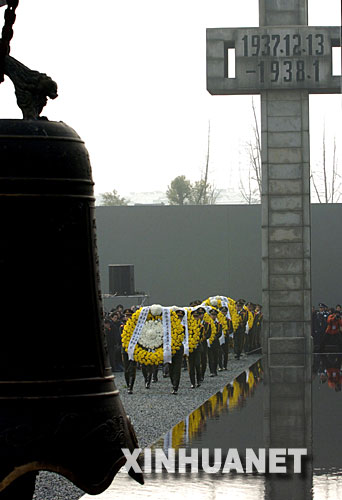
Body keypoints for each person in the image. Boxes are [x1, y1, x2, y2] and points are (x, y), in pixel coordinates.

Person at [187, 309, 202, 388]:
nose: (195, 318)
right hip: (190, 348)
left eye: (196, 317)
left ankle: (198, 380)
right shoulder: (188, 326)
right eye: (194, 317)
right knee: (191, 366)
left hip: (197, 347)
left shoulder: (200, 326)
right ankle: (192, 382)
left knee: (197, 364)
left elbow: (201, 336)